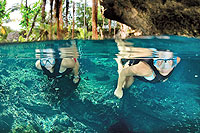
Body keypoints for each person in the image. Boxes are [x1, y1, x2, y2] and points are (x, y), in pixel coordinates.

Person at [114, 39, 181, 99]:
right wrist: (118, 89)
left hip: (152, 74)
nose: (165, 67)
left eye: (169, 62)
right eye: (159, 62)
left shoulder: (176, 59)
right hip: (134, 65)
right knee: (125, 86)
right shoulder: (145, 69)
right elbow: (123, 72)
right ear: (154, 61)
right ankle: (119, 61)